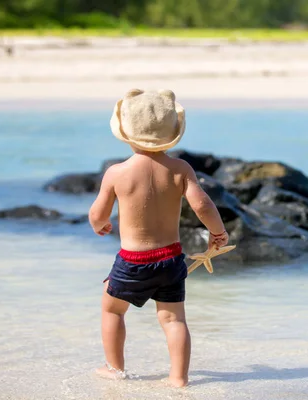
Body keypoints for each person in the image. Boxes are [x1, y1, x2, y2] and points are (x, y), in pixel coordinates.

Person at [88, 89, 229, 387]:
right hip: (170, 259)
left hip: (133, 261)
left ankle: (115, 368)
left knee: (112, 309)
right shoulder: (180, 169)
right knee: (173, 319)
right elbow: (202, 204)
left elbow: (98, 214)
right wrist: (217, 232)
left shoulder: (117, 172)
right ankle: (178, 377)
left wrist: (99, 225)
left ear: (126, 132)